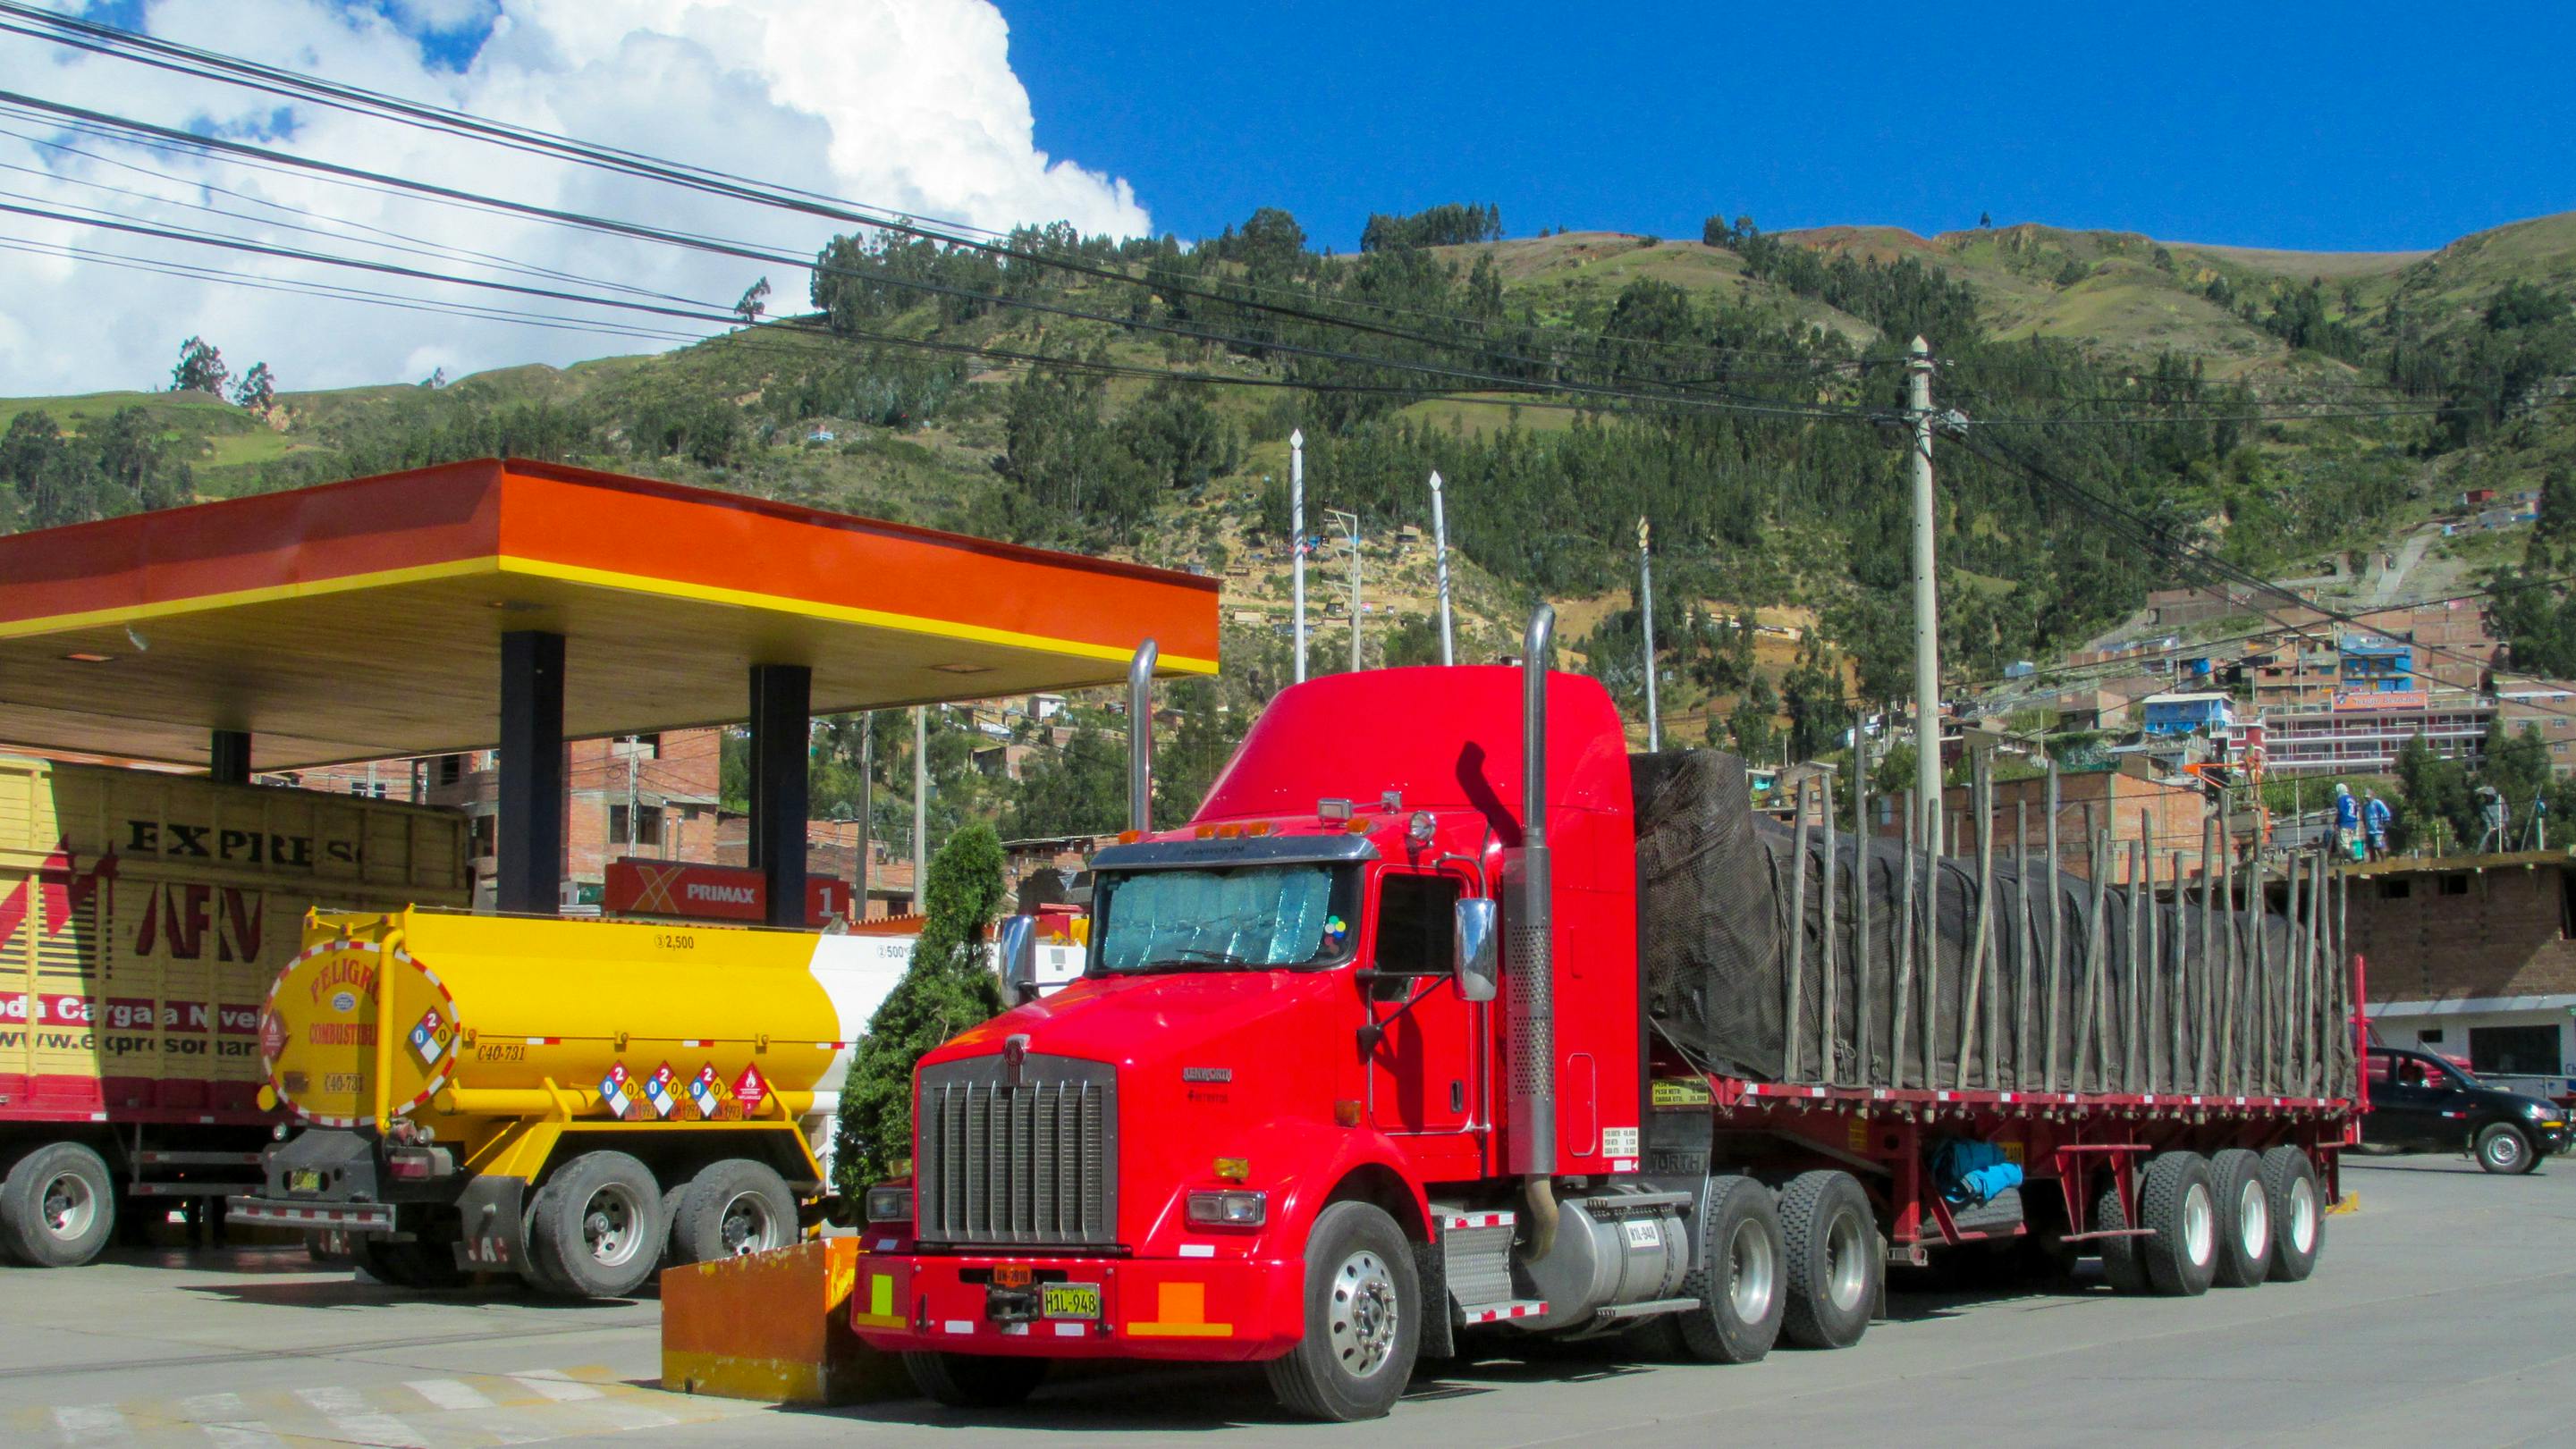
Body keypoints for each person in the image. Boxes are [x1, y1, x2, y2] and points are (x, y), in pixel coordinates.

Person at [2476, 784, 2508, 854]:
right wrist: (2490, 826)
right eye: (2485, 796)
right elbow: (2486, 818)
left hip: (2501, 826)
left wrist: (2504, 823)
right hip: (2491, 828)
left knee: (2505, 840)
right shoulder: (2484, 806)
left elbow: (2506, 814)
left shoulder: (2500, 800)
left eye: (2488, 795)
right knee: (2485, 840)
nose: (2487, 797)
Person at [2363, 788, 2393, 863]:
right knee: (2371, 849)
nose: (2367, 798)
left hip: (2377, 830)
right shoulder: (2365, 806)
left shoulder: (2377, 803)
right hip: (2369, 831)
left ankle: (2384, 863)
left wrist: (2384, 824)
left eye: (2369, 797)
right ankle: (2374, 865)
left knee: (2378, 847)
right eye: (2366, 797)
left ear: (2373, 795)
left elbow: (2386, 813)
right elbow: (2364, 817)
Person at [2333, 782, 2361, 861]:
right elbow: (2355, 811)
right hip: (2353, 823)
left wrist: (2336, 822)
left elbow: (2340, 811)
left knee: (2344, 844)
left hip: (2344, 823)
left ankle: (2354, 858)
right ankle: (2347, 859)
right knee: (2350, 842)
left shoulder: (2341, 799)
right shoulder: (2352, 799)